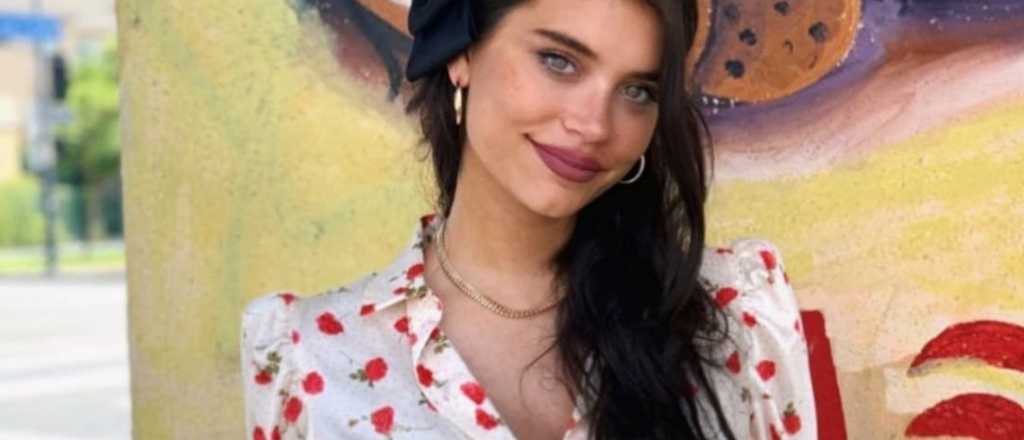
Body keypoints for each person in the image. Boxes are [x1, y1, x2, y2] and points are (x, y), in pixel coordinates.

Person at [240, 0, 817, 439]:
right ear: (463, 54)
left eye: (638, 91)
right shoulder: (304, 353)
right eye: (559, 61)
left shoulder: (739, 313)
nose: (594, 124)